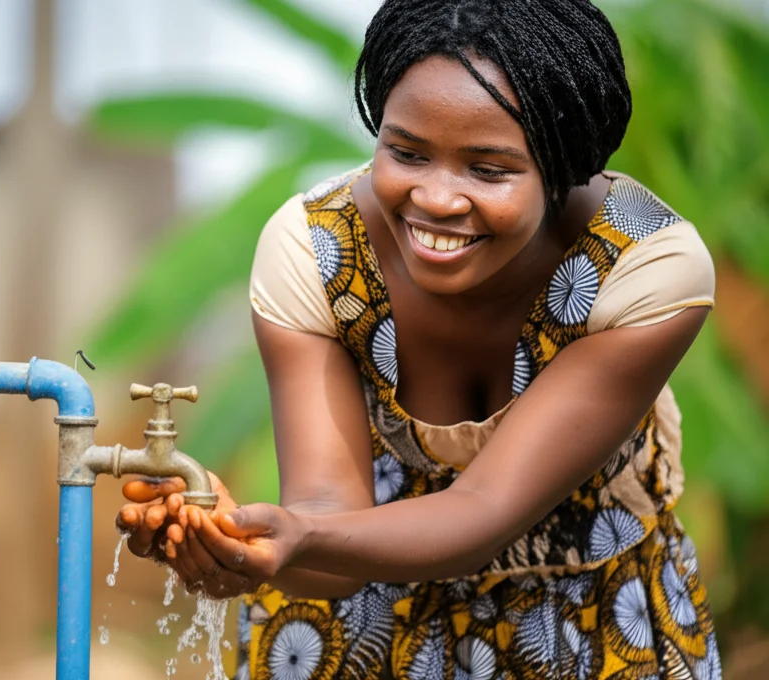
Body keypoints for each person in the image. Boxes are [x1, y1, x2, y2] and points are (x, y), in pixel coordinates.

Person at [118, 1, 720, 678]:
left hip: (585, 627)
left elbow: (483, 511)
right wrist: (236, 546)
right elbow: (327, 534)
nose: (436, 199)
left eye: (487, 170)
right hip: (360, 627)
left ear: (564, 162)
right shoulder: (317, 253)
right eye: (406, 153)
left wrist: (300, 536)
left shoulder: (642, 267)